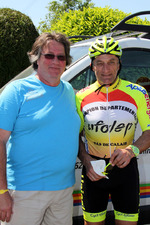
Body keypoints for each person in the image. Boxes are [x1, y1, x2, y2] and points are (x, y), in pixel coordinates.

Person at [0, 32, 81, 225]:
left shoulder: (68, 90)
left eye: (61, 57)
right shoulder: (17, 90)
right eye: (49, 55)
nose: (55, 61)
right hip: (24, 192)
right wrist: (2, 191)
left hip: (63, 190)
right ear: (36, 58)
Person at [76, 35, 150, 225]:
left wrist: (131, 150)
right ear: (92, 66)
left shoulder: (138, 93)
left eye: (111, 62)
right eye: (99, 63)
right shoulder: (80, 97)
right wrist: (85, 158)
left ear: (119, 65)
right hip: (93, 170)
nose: (106, 69)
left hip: (126, 171)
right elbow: (74, 135)